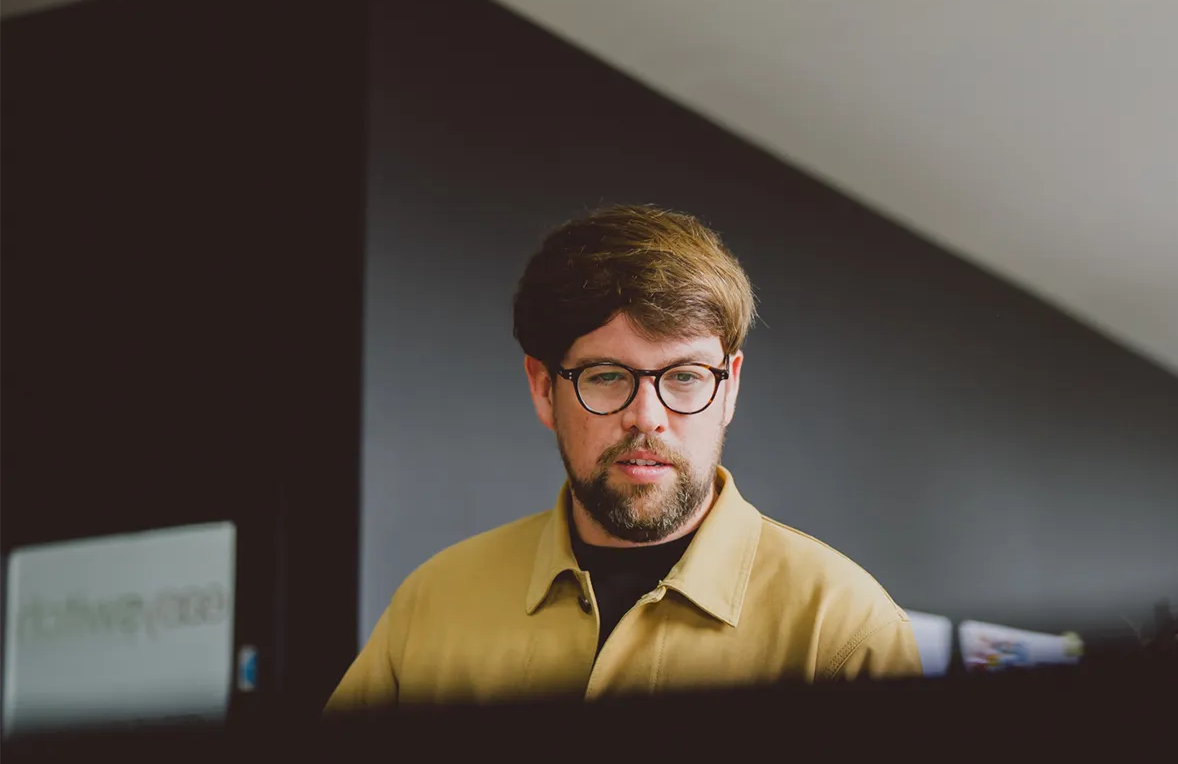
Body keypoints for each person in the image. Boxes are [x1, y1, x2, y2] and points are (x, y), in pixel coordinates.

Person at [329, 205, 921, 708]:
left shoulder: (842, 628)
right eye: (608, 376)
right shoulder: (433, 604)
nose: (647, 416)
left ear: (730, 387)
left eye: (686, 377)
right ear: (543, 387)